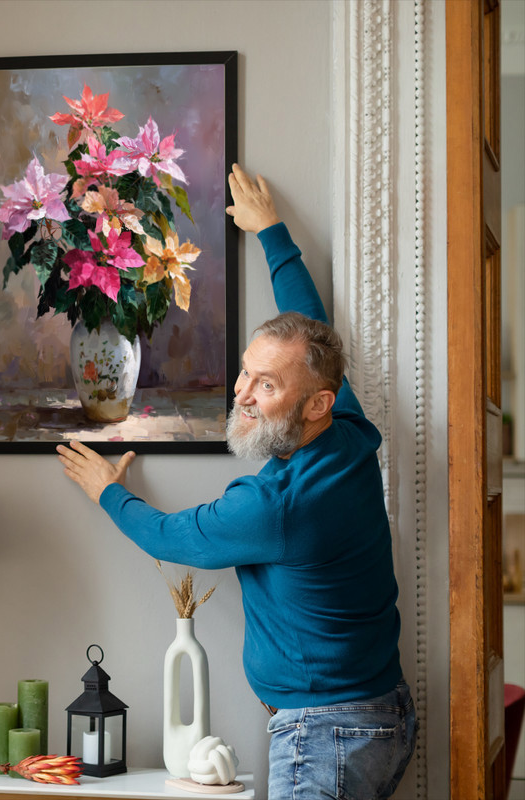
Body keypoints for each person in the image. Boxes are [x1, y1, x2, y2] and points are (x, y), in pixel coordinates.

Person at [57, 164, 417, 799]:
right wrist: (272, 232)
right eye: (247, 373)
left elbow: (173, 537)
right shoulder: (350, 437)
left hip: (326, 737)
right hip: (377, 717)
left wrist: (107, 491)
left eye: (266, 386)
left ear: (315, 405)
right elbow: (309, 330)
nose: (243, 395)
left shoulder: (274, 506)